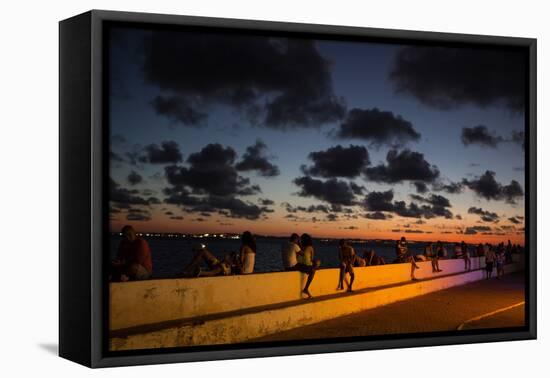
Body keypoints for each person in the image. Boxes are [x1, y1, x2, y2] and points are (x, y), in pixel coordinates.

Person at [282, 233, 319, 298]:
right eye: (298, 239)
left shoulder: (285, 245)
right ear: (296, 239)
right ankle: (306, 289)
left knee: (304, 266)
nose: (299, 240)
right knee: (312, 270)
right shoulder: (295, 246)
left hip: (286, 267)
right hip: (293, 266)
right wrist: (299, 244)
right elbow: (303, 254)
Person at [298, 233, 321, 298]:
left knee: (316, 263)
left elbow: (310, 259)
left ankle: (315, 267)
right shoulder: (309, 248)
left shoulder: (300, 247)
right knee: (313, 270)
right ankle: (306, 289)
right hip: (305, 266)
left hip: (302, 265)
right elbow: (312, 259)